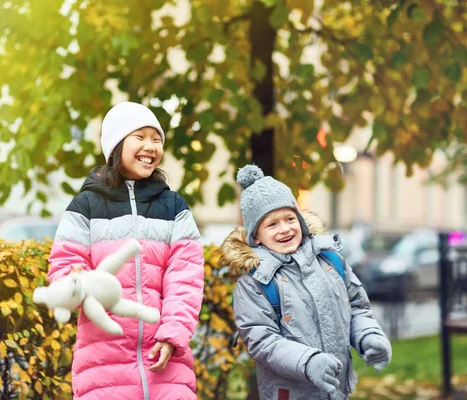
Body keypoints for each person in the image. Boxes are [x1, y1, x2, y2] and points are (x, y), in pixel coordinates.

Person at [47, 102, 204, 400]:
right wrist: (75, 283)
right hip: (102, 364)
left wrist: (173, 335)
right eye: (140, 137)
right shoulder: (86, 205)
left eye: (156, 139)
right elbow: (63, 269)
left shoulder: (173, 207)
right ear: (117, 145)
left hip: (166, 361)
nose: (150, 146)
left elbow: (187, 278)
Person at [220, 165, 392, 400]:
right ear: (256, 236)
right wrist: (308, 361)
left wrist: (368, 336)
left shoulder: (330, 261)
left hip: (337, 391)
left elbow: (357, 308)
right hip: (291, 394)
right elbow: (263, 341)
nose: (285, 228)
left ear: (299, 219)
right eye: (272, 224)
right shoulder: (254, 284)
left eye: (290, 218)